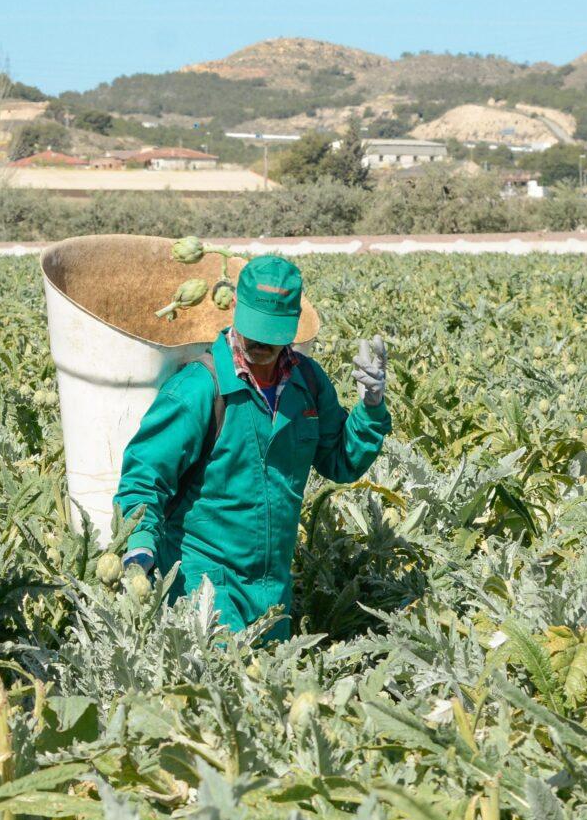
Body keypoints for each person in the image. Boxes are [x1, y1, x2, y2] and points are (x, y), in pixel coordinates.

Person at [111, 254, 390, 638]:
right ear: (236, 311)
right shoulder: (198, 389)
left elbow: (341, 461)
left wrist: (371, 410)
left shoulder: (308, 383)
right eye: (254, 327)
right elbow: (144, 479)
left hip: (273, 589)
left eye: (272, 333)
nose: (259, 342)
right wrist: (139, 545)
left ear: (292, 326)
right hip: (203, 585)